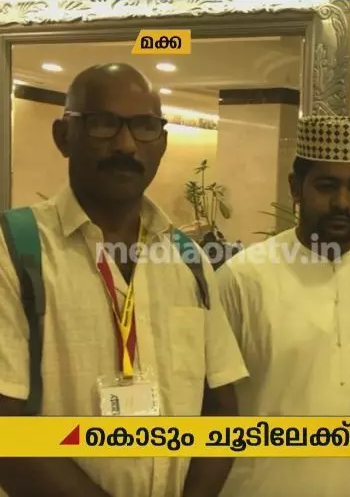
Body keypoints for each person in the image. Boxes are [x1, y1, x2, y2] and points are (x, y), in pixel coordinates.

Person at [0, 63, 248, 496]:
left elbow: (222, 412)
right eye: (103, 123)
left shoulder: (188, 259)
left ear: (162, 143)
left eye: (144, 127)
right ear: (64, 136)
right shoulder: (14, 250)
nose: (126, 144)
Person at [216, 116, 350, 497]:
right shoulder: (241, 279)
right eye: (327, 186)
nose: (342, 202)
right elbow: (211, 408)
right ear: (296, 187)